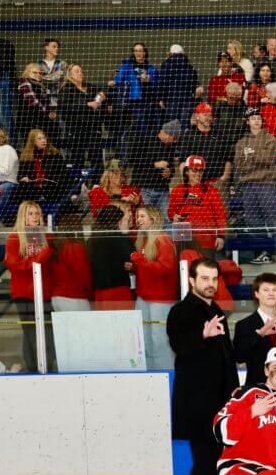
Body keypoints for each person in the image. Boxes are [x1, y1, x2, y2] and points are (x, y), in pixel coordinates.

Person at [166, 258, 240, 475]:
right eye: (204, 278)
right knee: (204, 464)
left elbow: (226, 359)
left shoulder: (216, 309)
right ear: (192, 281)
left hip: (217, 403)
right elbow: (178, 345)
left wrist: (233, 395)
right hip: (198, 404)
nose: (210, 283)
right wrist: (202, 334)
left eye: (213, 279)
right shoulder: (181, 311)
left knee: (210, 464)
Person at [233, 108, 276, 265]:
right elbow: (239, 165)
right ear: (248, 122)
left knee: (273, 218)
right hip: (248, 185)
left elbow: (269, 159)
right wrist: (256, 159)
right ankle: (264, 252)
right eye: (253, 118)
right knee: (253, 221)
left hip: (266, 183)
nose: (256, 121)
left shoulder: (270, 138)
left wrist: (250, 157)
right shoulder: (241, 142)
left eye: (258, 118)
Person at [4, 200, 53, 372]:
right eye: (30, 213)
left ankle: (47, 365)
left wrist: (35, 260)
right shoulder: (15, 236)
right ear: (23, 216)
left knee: (46, 333)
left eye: (37, 213)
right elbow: (14, 265)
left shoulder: (46, 235)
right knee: (30, 331)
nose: (34, 217)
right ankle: (33, 368)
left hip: (45, 292)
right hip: (24, 292)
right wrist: (39, 258)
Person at [129, 206, 178, 369]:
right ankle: (150, 373)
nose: (138, 220)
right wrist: (135, 266)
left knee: (160, 339)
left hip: (160, 299)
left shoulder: (163, 239)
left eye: (142, 216)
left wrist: (140, 262)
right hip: (144, 296)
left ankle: (166, 374)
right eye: (137, 216)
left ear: (153, 219)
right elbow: (149, 267)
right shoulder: (143, 240)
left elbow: (166, 268)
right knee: (145, 339)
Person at [234, 272, 276, 386]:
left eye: (275, 290)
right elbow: (239, 356)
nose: (271, 293)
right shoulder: (244, 324)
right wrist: (259, 334)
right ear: (256, 294)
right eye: (266, 290)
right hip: (255, 387)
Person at [168, 155, 227, 256]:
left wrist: (221, 236)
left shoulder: (212, 191)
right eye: (194, 170)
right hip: (183, 237)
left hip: (206, 240)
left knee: (205, 269)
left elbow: (220, 216)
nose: (198, 174)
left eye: (201, 171)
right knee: (183, 269)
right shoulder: (177, 190)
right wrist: (174, 216)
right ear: (187, 171)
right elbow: (171, 212)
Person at [111, 43, 159, 158]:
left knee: (146, 131)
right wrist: (113, 82)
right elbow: (118, 80)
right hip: (132, 103)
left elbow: (158, 84)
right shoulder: (127, 66)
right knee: (128, 131)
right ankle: (124, 158)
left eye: (140, 50)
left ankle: (145, 157)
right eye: (136, 50)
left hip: (148, 103)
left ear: (144, 53)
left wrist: (149, 80)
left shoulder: (151, 68)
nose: (138, 53)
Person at [58, 64, 107, 167]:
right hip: (76, 130)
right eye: (77, 71)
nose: (80, 73)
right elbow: (64, 108)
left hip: (93, 128)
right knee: (77, 159)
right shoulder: (66, 89)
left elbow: (102, 96)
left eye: (81, 71)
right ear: (70, 75)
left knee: (96, 158)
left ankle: (96, 182)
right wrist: (86, 105)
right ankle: (79, 182)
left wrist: (102, 97)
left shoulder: (90, 87)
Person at [88, 205, 134, 311]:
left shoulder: (93, 239)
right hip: (118, 291)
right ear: (117, 222)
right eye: (125, 219)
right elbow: (132, 259)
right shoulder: (119, 238)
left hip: (100, 292)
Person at [178, 108, 232, 196]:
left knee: (221, 209)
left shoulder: (220, 134)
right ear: (197, 116)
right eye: (205, 114)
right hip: (196, 184)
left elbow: (228, 159)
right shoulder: (188, 136)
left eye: (210, 115)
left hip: (217, 183)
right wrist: (186, 183)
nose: (208, 117)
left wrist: (224, 178)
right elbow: (183, 162)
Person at [130, 120, 181, 214]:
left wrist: (169, 173)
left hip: (163, 189)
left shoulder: (170, 147)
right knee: (146, 218)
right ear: (167, 134)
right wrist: (154, 164)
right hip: (145, 188)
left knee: (166, 219)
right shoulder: (144, 139)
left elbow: (172, 168)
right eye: (174, 138)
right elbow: (133, 160)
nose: (175, 141)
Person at [48, 206, 92, 312]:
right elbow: (84, 275)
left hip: (57, 297)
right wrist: (90, 294)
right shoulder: (74, 247)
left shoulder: (57, 247)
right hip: (74, 296)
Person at [16, 128, 70, 205]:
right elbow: (20, 175)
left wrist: (49, 180)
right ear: (33, 141)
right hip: (33, 188)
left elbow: (64, 175)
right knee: (21, 188)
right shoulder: (26, 156)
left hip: (51, 187)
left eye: (44, 138)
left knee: (51, 189)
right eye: (39, 139)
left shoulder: (55, 155)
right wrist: (24, 178)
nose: (43, 141)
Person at [14, 63, 58, 147]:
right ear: (27, 72)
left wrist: (53, 111)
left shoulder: (42, 86)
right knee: (29, 146)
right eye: (35, 72)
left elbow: (49, 101)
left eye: (40, 73)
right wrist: (48, 112)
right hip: (27, 122)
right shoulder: (24, 82)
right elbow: (32, 101)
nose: (38, 75)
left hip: (39, 121)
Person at [160, 45, 199, 126]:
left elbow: (163, 84)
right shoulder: (190, 67)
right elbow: (194, 85)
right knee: (184, 125)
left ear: (170, 53)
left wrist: (161, 98)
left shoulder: (166, 66)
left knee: (172, 128)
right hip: (187, 102)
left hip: (171, 102)